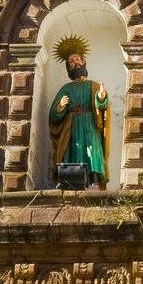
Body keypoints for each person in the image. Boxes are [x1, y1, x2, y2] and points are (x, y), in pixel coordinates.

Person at [49, 36, 111, 188]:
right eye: (71, 61)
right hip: (71, 126)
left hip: (90, 124)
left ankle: (94, 183)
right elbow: (54, 116)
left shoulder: (94, 85)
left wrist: (101, 98)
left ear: (83, 62)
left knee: (92, 151)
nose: (75, 62)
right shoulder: (66, 88)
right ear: (69, 68)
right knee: (72, 151)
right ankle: (71, 183)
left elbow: (102, 107)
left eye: (77, 59)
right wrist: (60, 107)